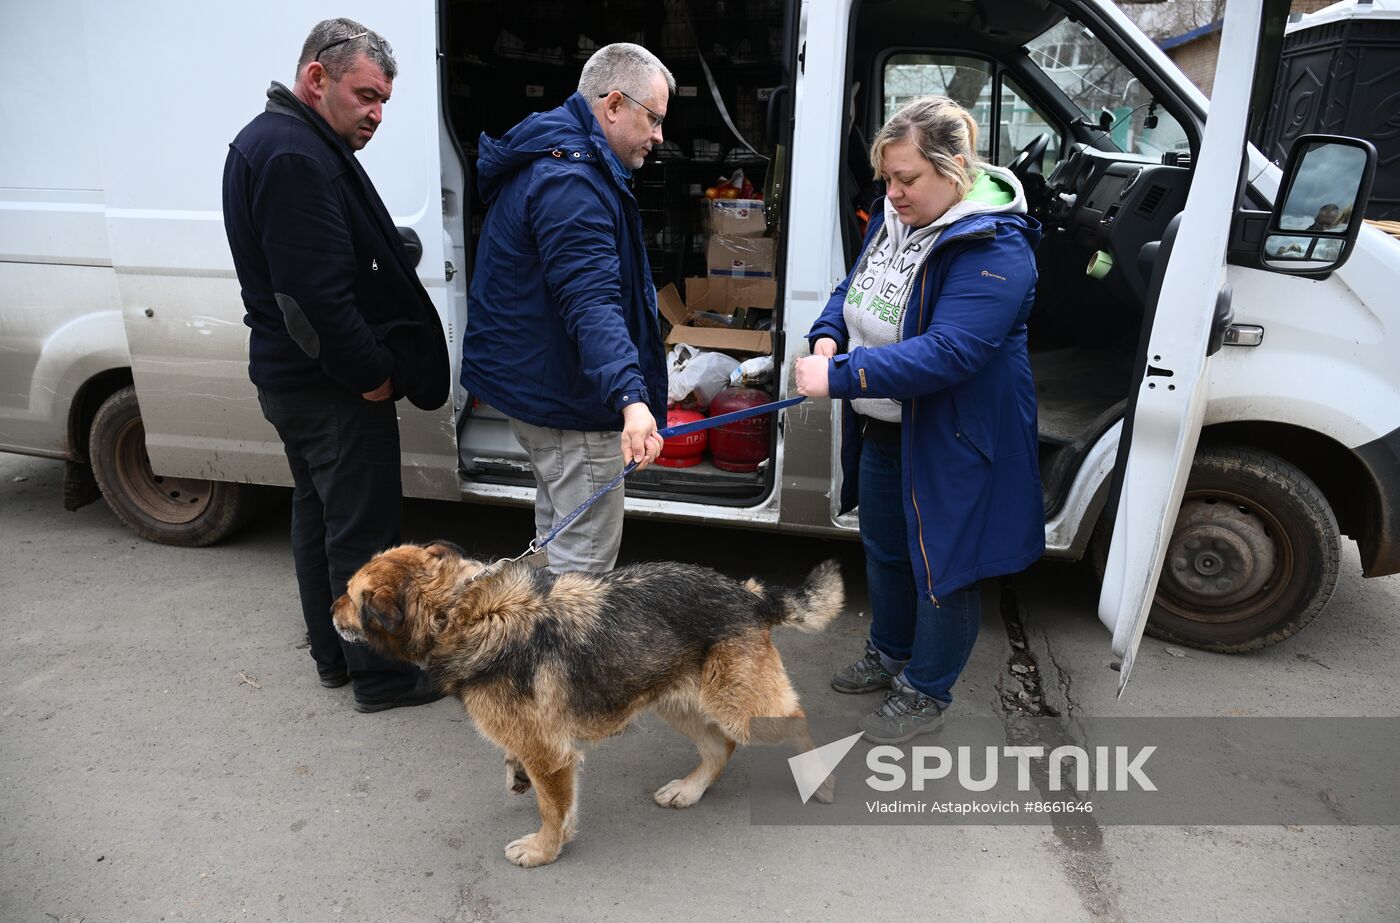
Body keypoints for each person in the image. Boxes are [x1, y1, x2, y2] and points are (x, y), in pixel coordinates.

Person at [795, 96, 1044, 744]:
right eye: (887, 178)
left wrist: (841, 376)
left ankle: (926, 688)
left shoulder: (995, 245)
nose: (894, 192)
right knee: (885, 549)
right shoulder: (896, 217)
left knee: (944, 565)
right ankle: (890, 649)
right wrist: (828, 334)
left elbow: (951, 351)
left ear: (955, 169)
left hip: (951, 434)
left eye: (907, 178)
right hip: (884, 423)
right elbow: (854, 290)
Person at [222, 18, 449, 713]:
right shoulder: (293, 154)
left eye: (384, 101)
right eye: (367, 96)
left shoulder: (284, 140)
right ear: (316, 79)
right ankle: (382, 677)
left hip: (297, 383)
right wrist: (372, 375)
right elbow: (311, 300)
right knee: (361, 532)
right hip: (331, 389)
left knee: (318, 516)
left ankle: (334, 656)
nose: (377, 114)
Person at [460, 43, 671, 574]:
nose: (659, 136)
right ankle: (563, 659)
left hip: (544, 395)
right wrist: (630, 399)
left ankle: (536, 653)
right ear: (615, 104)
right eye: (654, 119)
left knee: (554, 543)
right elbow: (592, 302)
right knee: (583, 573)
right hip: (573, 408)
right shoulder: (571, 182)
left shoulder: (558, 156)